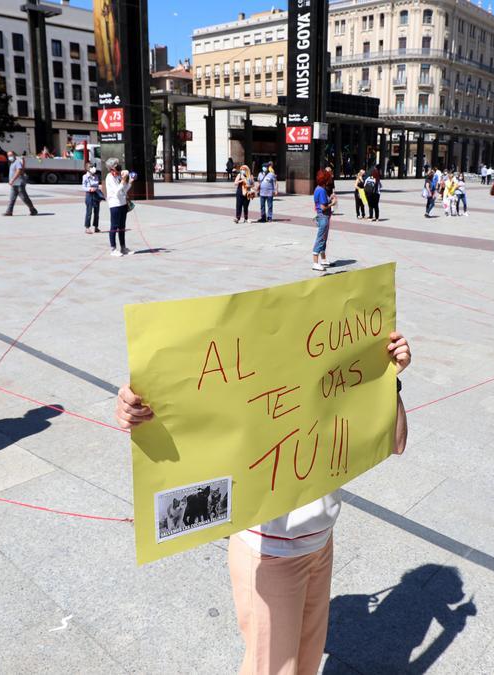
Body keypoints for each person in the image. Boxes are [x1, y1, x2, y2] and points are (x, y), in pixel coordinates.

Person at [115, 333, 411, 675]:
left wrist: (390, 378)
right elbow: (192, 408)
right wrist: (136, 407)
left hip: (320, 541)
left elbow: (397, 441)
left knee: (306, 665)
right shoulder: (255, 373)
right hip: (269, 552)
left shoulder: (333, 371)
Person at [103, 157, 132, 257]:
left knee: (122, 226)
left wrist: (129, 181)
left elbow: (124, 189)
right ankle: (113, 249)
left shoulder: (118, 177)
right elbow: (117, 191)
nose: (119, 170)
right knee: (114, 226)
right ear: (111, 169)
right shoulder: (109, 177)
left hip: (122, 203)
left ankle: (123, 248)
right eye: (116, 168)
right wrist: (123, 181)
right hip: (114, 204)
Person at [3, 151, 38, 216]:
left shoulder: (17, 162)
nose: (9, 157)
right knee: (11, 199)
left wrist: (12, 180)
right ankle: (9, 212)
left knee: (24, 198)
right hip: (14, 185)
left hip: (19, 184)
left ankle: (33, 210)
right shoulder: (12, 163)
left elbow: (19, 170)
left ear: (14, 155)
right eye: (8, 156)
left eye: (11, 155)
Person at [312, 169, 333, 272]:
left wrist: (330, 197)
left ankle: (323, 259)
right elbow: (323, 207)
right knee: (320, 238)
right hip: (323, 217)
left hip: (323, 217)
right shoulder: (322, 190)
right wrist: (332, 203)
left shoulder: (318, 188)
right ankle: (315, 262)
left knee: (323, 238)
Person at [82, 165, 102, 233]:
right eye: (91, 167)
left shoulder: (96, 176)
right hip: (89, 194)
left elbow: (97, 185)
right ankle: (87, 227)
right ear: (88, 169)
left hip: (96, 194)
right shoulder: (85, 176)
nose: (93, 168)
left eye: (93, 167)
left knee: (97, 212)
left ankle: (96, 227)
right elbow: (83, 187)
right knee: (89, 212)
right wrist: (89, 189)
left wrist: (98, 189)